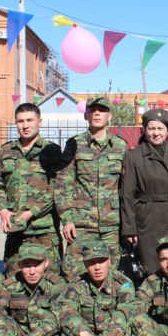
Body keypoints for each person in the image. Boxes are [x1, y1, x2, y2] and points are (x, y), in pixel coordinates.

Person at [46, 236, 135, 336]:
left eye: (101, 261)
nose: (97, 267)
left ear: (109, 261)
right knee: (68, 331)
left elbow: (121, 317)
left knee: (126, 329)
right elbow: (67, 311)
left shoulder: (123, 284)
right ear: (85, 264)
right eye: (92, 262)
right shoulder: (77, 284)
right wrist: (85, 335)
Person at [55, 96, 127, 280]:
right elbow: (63, 184)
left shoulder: (120, 146)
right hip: (82, 224)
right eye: (92, 110)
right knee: (75, 274)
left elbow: (126, 187)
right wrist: (67, 219)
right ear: (85, 115)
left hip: (111, 225)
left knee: (111, 275)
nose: (97, 114)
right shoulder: (74, 144)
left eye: (101, 110)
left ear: (109, 116)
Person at [0, 102, 63, 277]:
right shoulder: (6, 151)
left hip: (44, 230)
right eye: (20, 121)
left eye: (30, 120)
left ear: (39, 121)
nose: (25, 125)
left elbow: (57, 187)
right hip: (16, 230)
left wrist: (32, 212)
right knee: (14, 280)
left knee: (50, 281)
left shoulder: (51, 151)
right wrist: (2, 210)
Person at [121, 108, 168, 275]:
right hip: (148, 218)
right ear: (144, 130)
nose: (156, 133)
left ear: (167, 130)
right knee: (152, 266)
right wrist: (130, 229)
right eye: (151, 128)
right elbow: (128, 194)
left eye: (160, 128)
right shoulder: (134, 156)